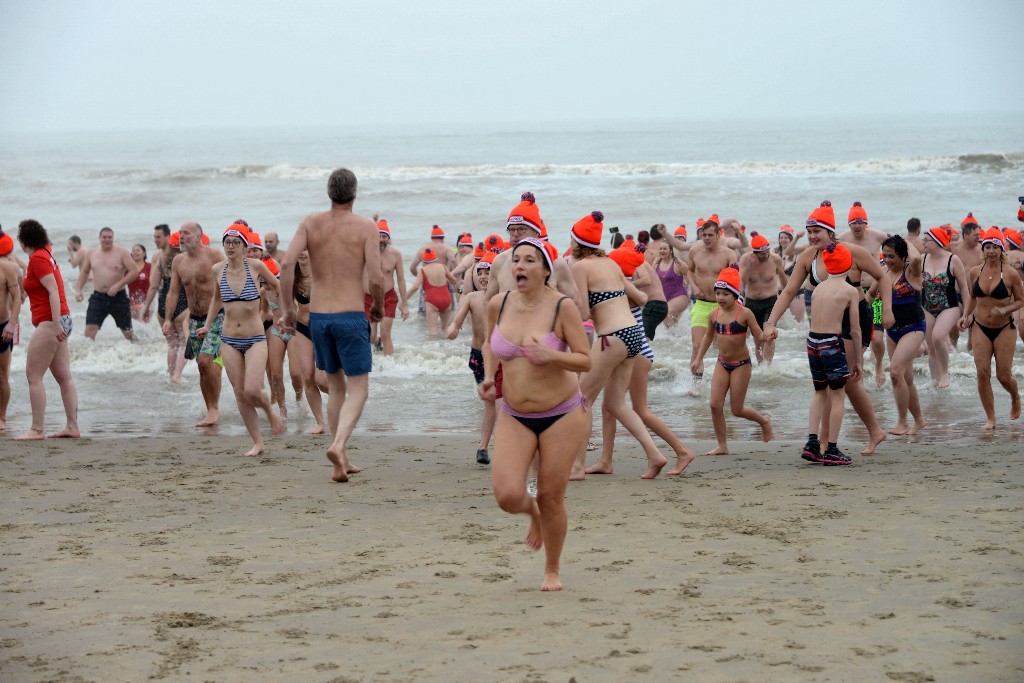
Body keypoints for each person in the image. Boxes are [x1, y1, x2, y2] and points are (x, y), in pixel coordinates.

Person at [479, 237, 591, 591]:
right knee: (508, 495)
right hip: (514, 413)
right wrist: (487, 376)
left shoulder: (563, 308)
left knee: (551, 495)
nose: (520, 266)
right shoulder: (499, 303)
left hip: (562, 413)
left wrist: (552, 356)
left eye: (529, 260)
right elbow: (488, 342)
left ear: (546, 270)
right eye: (516, 260)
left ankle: (552, 570)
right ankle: (533, 514)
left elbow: (585, 359)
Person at [279, 168, 384, 483]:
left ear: (329, 192)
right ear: (354, 194)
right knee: (359, 389)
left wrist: (287, 309)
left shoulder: (311, 224)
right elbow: (377, 278)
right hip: (350, 315)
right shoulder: (366, 227)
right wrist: (378, 306)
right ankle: (338, 444)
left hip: (318, 317)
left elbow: (285, 264)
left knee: (335, 387)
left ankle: (341, 461)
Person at [763, 201, 891, 456]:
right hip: (825, 324)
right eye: (809, 232)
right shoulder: (808, 256)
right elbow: (789, 290)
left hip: (854, 319)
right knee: (838, 384)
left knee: (844, 382)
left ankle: (826, 443)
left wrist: (886, 310)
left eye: (817, 232)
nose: (812, 237)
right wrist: (770, 322)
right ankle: (861, 434)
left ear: (830, 232)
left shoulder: (852, 252)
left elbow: (883, 277)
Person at [570, 211, 670, 480]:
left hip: (610, 337)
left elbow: (582, 312)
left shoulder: (580, 267)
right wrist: (612, 300)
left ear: (576, 243)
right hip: (633, 334)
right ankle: (655, 455)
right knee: (615, 404)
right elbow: (641, 297)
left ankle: (577, 467)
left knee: (581, 400)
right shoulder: (612, 264)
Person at [589, 238, 697, 475]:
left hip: (636, 353)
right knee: (609, 407)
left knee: (639, 410)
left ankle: (681, 451)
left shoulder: (623, 291)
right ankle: (606, 461)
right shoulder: (626, 289)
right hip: (636, 350)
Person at [198, 225, 284, 456]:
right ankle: (258, 443)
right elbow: (216, 300)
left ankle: (270, 410)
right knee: (240, 393)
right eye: (227, 242)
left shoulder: (256, 266)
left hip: (255, 338)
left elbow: (276, 286)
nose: (231, 246)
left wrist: (280, 315)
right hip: (229, 340)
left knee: (253, 389)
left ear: (245, 246)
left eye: (236, 242)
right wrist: (207, 325)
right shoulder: (218, 269)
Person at [689, 267, 772, 454]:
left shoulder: (744, 314)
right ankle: (722, 445)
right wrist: (698, 359)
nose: (720, 298)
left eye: (725, 294)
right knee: (714, 405)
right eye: (717, 293)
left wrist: (769, 336)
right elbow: (708, 338)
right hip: (722, 363)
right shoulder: (714, 314)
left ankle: (764, 420)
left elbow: (759, 336)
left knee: (737, 409)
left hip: (741, 365)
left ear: (735, 294)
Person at [796, 242, 863, 465]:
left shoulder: (818, 288)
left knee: (819, 392)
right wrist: (859, 362)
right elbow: (854, 329)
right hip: (830, 344)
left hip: (812, 341)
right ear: (848, 265)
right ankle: (832, 449)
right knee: (837, 396)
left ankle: (812, 443)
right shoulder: (850, 291)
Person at [14, 219, 79, 441]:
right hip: (59, 319)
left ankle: (37, 429)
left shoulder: (38, 259)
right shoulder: (46, 256)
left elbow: (52, 291)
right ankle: (72, 426)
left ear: (24, 241)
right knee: (63, 376)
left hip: (52, 321)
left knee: (33, 375)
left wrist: (56, 323)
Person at [958, 228, 1023, 429]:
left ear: (1002, 249)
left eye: (995, 247)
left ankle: (1015, 396)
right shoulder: (974, 271)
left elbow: (1021, 301)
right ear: (983, 249)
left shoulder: (1010, 273)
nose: (991, 251)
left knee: (1003, 376)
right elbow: (972, 297)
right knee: (982, 373)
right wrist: (965, 315)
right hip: (980, 327)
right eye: (988, 247)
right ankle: (991, 418)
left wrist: (1004, 310)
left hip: (1004, 328)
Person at [163, 221, 225, 426]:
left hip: (217, 318)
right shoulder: (179, 261)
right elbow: (173, 292)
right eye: (180, 233)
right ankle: (210, 409)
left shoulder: (214, 255)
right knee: (203, 367)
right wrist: (167, 319)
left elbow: (230, 280)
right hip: (195, 319)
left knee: (206, 361)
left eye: (186, 233)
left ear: (199, 236)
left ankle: (214, 409)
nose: (181, 237)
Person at [872, 235, 927, 435]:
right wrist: (874, 321)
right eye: (885, 256)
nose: (887, 260)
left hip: (913, 327)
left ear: (902, 256)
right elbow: (871, 296)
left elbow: (916, 259)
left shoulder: (911, 273)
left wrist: (907, 241)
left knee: (895, 373)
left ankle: (902, 422)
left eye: (892, 256)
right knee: (907, 377)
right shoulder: (883, 273)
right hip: (892, 332)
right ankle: (919, 420)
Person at [446, 253, 497, 464]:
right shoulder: (471, 298)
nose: (484, 277)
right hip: (478, 356)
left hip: (499, 355)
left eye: (488, 272)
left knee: (494, 401)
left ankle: (484, 447)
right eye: (480, 273)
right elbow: (457, 321)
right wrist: (453, 328)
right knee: (489, 401)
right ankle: (486, 446)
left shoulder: (503, 298)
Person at [686, 215, 738, 391]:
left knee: (724, 348)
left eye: (710, 235)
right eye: (703, 235)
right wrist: (693, 286)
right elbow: (689, 271)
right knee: (696, 345)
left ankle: (726, 383)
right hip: (701, 304)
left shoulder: (728, 254)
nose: (706, 238)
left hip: (722, 306)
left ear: (718, 235)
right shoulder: (695, 252)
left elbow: (735, 279)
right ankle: (695, 386)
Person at [920, 226, 970, 388]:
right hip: (927, 307)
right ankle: (935, 383)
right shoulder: (921, 259)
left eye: (926, 240)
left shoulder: (952, 260)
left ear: (937, 242)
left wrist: (966, 313)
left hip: (949, 306)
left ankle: (945, 373)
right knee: (931, 346)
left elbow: (964, 288)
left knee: (938, 336)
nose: (923, 242)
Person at [75, 227, 140, 341]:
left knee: (128, 333)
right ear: (99, 238)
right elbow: (85, 272)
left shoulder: (122, 252)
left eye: (110, 237)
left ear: (113, 238)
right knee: (90, 330)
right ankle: (89, 356)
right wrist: (79, 290)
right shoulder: (92, 253)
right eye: (104, 237)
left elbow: (134, 271)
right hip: (98, 297)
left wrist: (118, 285)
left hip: (118, 297)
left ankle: (141, 351)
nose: (107, 240)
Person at [287, 250, 326, 434]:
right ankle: (320, 422)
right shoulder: (292, 277)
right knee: (308, 378)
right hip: (302, 329)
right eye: (299, 250)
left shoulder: (323, 273)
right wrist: (284, 318)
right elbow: (287, 304)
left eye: (305, 249)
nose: (301, 253)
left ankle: (343, 404)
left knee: (323, 381)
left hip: (323, 329)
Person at [145, 229, 189, 383]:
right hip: (182, 302)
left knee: (172, 345)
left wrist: (146, 308)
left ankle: (171, 376)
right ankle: (177, 375)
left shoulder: (161, 260)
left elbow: (153, 286)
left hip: (163, 305)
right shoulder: (185, 259)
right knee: (184, 342)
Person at [738, 232, 788, 363]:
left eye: (767, 252)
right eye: (762, 254)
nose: (766, 255)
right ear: (754, 252)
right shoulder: (745, 259)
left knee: (769, 334)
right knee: (758, 339)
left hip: (770, 301)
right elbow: (741, 283)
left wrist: (787, 296)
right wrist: (749, 266)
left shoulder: (775, 259)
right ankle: (761, 366)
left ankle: (768, 366)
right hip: (751, 303)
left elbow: (783, 278)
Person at [365, 219, 409, 354]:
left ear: (388, 238)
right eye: (378, 235)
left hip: (388, 297)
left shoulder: (395, 254)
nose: (381, 239)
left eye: (384, 236)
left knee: (385, 334)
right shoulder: (366, 252)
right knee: (369, 336)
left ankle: (390, 368)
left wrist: (405, 303)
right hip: (368, 298)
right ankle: (372, 361)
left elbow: (401, 279)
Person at [406, 247, 458, 336]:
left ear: (423, 261)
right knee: (445, 329)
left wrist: (404, 299)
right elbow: (453, 280)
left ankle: (434, 348)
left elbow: (415, 287)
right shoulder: (443, 266)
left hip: (432, 300)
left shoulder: (423, 270)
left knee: (433, 331)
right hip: (446, 299)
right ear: (435, 259)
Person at [0, 228, 22, 434]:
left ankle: (2, 417)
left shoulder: (7, 267)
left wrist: (12, 323)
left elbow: (17, 298)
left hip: (2, 326)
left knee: (2, 375)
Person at [653, 239, 689, 327]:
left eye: (665, 249)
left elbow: (691, 274)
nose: (662, 251)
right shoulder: (656, 263)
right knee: (672, 324)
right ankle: (674, 338)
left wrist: (691, 287)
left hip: (679, 295)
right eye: (660, 249)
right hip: (665, 298)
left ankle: (673, 336)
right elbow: (652, 280)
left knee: (666, 312)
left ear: (671, 250)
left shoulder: (677, 263)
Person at [775, 225, 807, 323]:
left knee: (798, 325)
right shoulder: (774, 253)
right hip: (779, 293)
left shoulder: (798, 254)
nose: (783, 240)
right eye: (781, 238)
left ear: (791, 240)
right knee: (777, 324)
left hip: (796, 293)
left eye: (786, 238)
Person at [127, 243, 151, 319]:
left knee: (145, 323)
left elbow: (159, 283)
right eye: (133, 251)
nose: (135, 252)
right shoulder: (128, 268)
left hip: (149, 302)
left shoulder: (150, 267)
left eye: (138, 250)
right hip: (133, 301)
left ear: (144, 253)